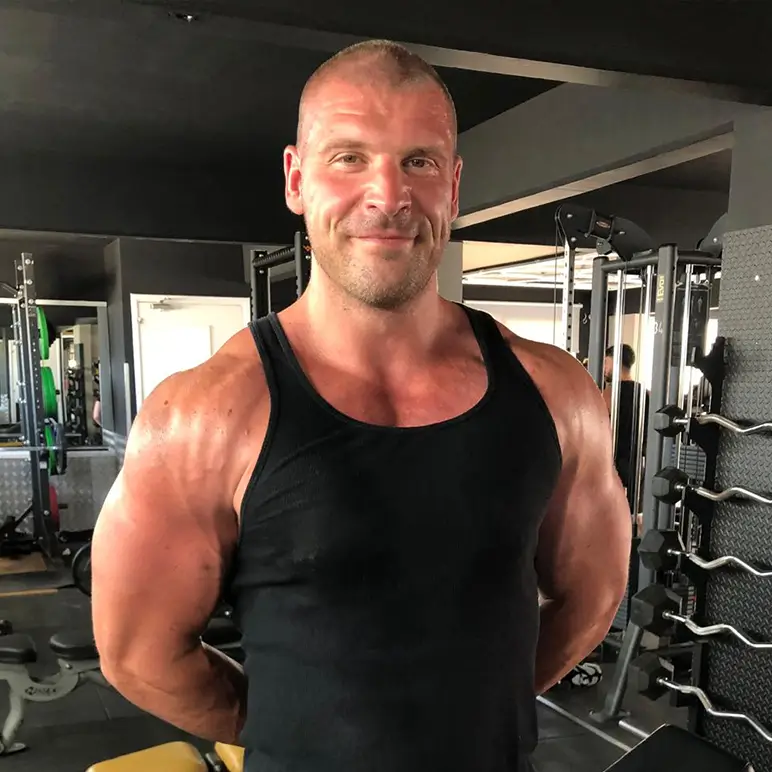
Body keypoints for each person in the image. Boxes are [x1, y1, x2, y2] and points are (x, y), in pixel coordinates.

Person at [90, 40, 632, 772]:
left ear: (453, 186)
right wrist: (288, 732)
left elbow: (593, 596)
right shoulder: (203, 414)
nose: (388, 194)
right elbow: (138, 653)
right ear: (296, 179)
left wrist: (483, 710)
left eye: (419, 161)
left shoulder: (555, 392)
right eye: (349, 157)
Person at [602, 344, 650, 505]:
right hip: (639, 467)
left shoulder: (608, 395)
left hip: (613, 464)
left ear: (616, 362)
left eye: (606, 362)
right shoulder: (646, 394)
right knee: (632, 512)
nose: (604, 368)